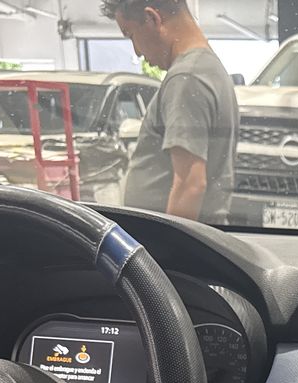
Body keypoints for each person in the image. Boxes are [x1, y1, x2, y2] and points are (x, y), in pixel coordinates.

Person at [101, 0, 238, 223]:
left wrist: (167, 244)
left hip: (171, 242)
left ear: (152, 18)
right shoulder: (207, 68)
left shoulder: (187, 78)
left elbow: (190, 185)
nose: (137, 51)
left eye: (131, 35)